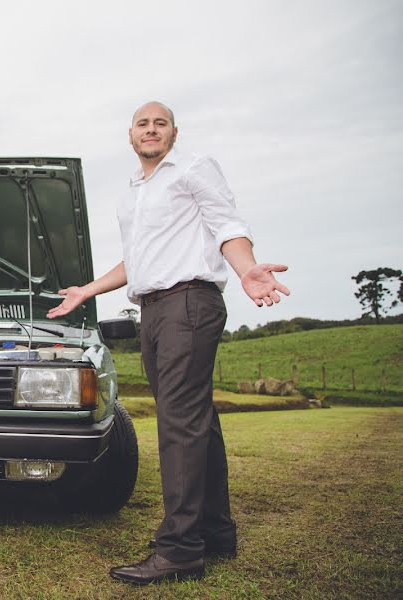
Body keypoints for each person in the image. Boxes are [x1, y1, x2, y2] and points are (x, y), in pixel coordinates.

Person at [47, 101, 290, 585]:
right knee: (197, 421)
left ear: (174, 133)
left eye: (161, 123)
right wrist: (87, 290)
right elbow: (136, 261)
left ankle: (179, 549)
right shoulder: (133, 193)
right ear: (130, 135)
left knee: (178, 424)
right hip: (154, 309)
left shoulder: (194, 169)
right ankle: (215, 532)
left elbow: (226, 225)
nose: (151, 129)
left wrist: (247, 270)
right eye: (143, 123)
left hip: (189, 303)